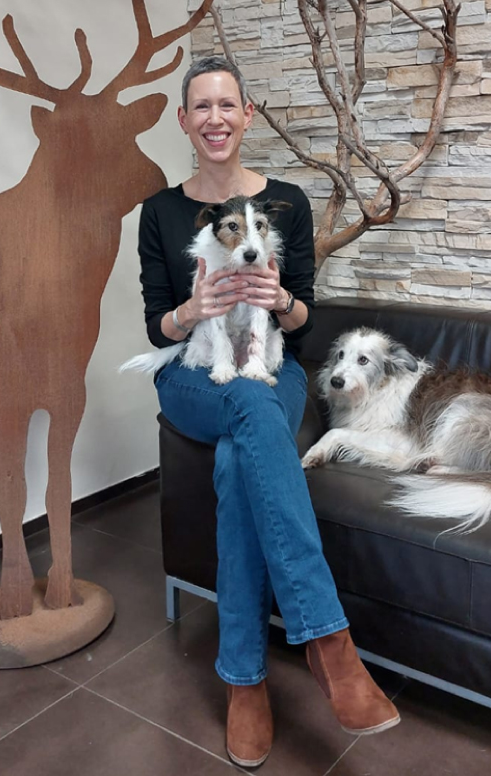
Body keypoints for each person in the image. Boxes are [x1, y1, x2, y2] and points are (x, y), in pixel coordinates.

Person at [138, 56, 399, 768]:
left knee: (239, 450)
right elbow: (155, 327)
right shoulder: (160, 212)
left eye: (227, 104)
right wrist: (192, 308)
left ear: (247, 114)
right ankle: (330, 646)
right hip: (194, 374)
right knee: (247, 409)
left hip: (270, 365)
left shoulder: (285, 202)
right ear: (184, 119)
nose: (215, 118)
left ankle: (245, 681)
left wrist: (280, 298)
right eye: (201, 106)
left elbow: (304, 321)